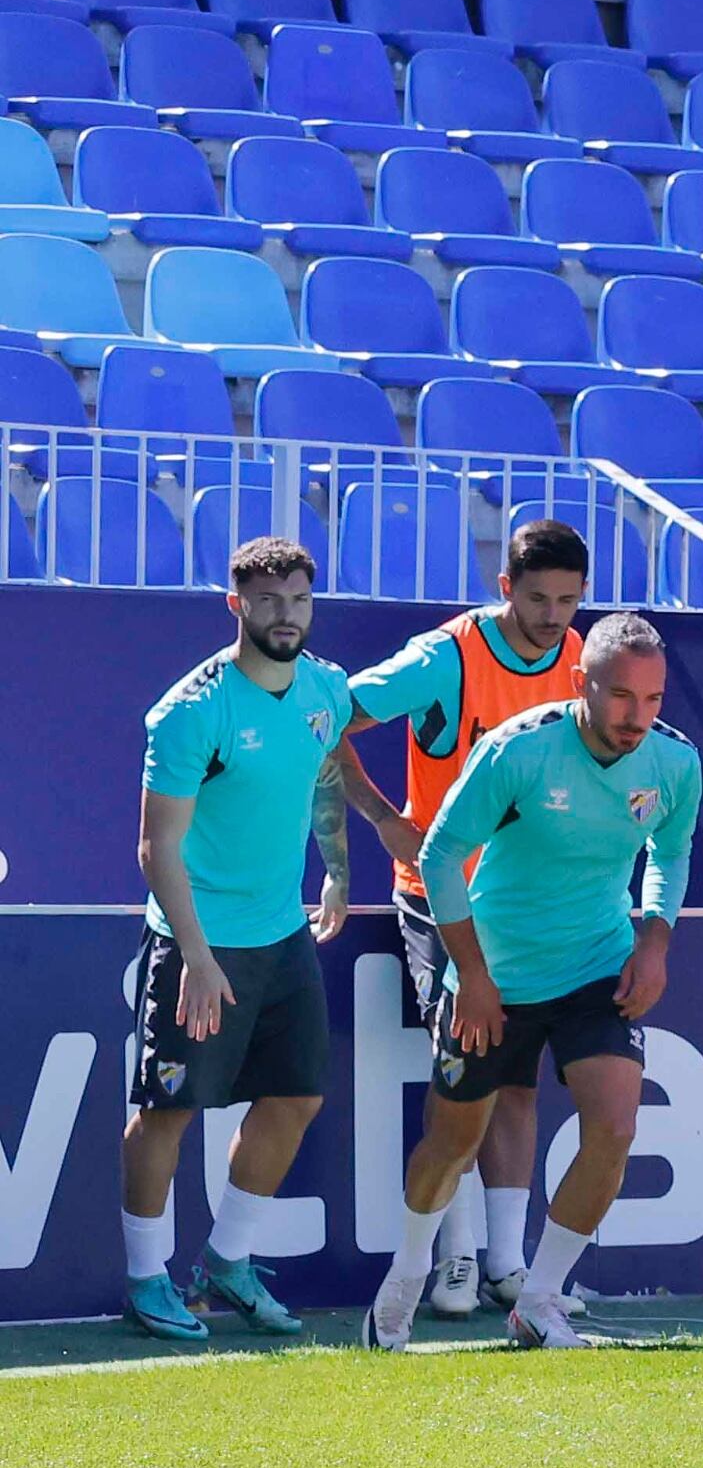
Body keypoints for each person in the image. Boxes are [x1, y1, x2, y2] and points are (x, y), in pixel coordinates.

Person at [364, 615, 703, 1351]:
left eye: (652, 700)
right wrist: (475, 978)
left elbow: (670, 854)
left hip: (594, 965)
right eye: (620, 697)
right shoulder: (517, 749)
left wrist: (655, 939)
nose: (636, 718)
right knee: (451, 1144)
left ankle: (539, 1299)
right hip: (497, 970)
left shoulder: (675, 763)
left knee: (613, 1125)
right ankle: (405, 1276)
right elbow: (441, 854)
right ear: (582, 682)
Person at [120, 535, 420, 1342]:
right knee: (168, 1111)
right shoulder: (191, 711)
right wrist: (195, 954)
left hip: (281, 935)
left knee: (296, 1098)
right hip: (198, 943)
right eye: (269, 602)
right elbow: (156, 847)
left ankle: (227, 1260)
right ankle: (146, 1279)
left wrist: (341, 864)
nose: (286, 617)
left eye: (299, 602)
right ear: (237, 606)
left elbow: (326, 766)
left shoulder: (324, 687)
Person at [324, 518, 592, 1322]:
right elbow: (327, 715)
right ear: (504, 588)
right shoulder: (445, 656)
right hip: (442, 897)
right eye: (539, 598)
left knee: (517, 1080)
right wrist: (380, 817)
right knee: (469, 1069)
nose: (554, 616)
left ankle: (508, 1266)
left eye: (570, 600)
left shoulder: (584, 661)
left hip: (532, 906)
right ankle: (457, 1262)